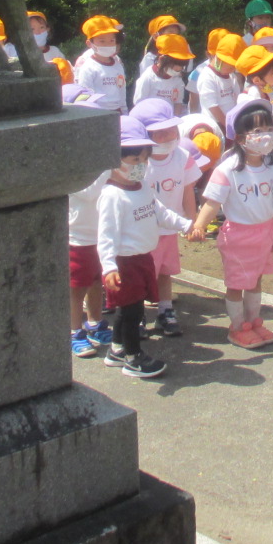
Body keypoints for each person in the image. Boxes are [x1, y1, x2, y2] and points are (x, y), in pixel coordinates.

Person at [190, 101, 273, 350]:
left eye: (269, 128)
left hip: (265, 232)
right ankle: (237, 327)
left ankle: (254, 322)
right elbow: (213, 202)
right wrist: (199, 225)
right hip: (239, 236)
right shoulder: (228, 169)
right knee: (236, 284)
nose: (265, 135)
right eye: (257, 131)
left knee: (255, 280)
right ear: (240, 136)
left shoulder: (272, 164)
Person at [97, 117, 191, 379]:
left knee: (131, 306)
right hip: (124, 263)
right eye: (134, 160)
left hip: (142, 259)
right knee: (132, 311)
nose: (141, 166)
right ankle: (133, 357)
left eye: (144, 159)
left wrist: (185, 225)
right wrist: (109, 267)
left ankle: (116, 348)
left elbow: (160, 212)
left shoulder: (143, 187)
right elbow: (106, 236)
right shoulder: (112, 196)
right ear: (113, 162)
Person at [130, 99, 202, 339]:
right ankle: (137, 314)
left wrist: (192, 223)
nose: (167, 136)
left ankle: (165, 310)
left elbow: (188, 191)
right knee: (140, 274)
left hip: (169, 229)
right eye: (158, 132)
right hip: (141, 229)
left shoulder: (182, 156)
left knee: (164, 272)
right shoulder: (139, 162)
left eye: (170, 129)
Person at [76, 16, 128, 113]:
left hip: (117, 112)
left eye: (112, 40)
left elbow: (122, 91)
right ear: (89, 43)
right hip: (98, 113)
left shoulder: (117, 65)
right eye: (102, 41)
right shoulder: (88, 67)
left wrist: (124, 111)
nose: (108, 44)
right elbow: (85, 94)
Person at [197, 33, 244, 130]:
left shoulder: (231, 77)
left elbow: (237, 100)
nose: (233, 69)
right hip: (214, 125)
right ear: (219, 58)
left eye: (235, 66)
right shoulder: (208, 76)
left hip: (232, 122)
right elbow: (213, 107)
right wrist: (229, 126)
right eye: (230, 65)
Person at [133, 33, 193, 110]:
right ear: (161, 59)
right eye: (174, 66)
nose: (178, 69)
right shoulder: (148, 77)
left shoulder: (177, 80)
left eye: (181, 66)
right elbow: (139, 104)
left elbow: (178, 103)